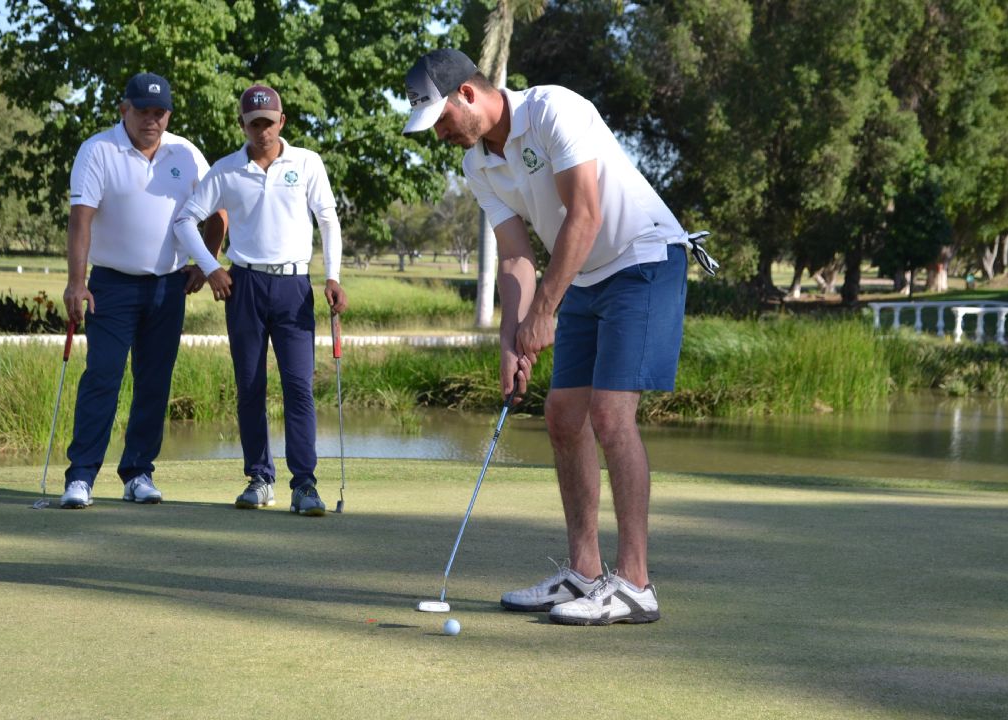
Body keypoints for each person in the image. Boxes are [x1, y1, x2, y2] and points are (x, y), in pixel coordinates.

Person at [402, 49, 717, 625]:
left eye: (442, 119)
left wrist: (545, 309)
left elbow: (586, 214)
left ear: (467, 94)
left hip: (643, 259)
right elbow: (518, 259)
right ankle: (584, 573)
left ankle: (636, 584)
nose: (441, 133)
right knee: (562, 416)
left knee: (610, 415)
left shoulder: (553, 110)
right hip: (586, 274)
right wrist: (510, 342)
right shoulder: (478, 165)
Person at [174, 83, 347, 517]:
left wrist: (333, 276)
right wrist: (210, 266)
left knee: (299, 387)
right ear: (243, 125)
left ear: (282, 121)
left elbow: (328, 219)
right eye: (255, 124)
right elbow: (185, 220)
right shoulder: (226, 170)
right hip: (244, 285)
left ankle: (304, 485)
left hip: (293, 287)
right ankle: (260, 478)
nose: (263, 131)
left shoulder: (307, 162)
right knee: (249, 387)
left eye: (269, 122)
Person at [59, 72, 226, 510]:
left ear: (168, 113)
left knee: (154, 382)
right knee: (103, 378)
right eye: (142, 111)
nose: (151, 120)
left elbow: (218, 212)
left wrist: (205, 266)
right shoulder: (98, 150)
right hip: (111, 285)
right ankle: (81, 477)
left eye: (160, 112)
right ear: (124, 110)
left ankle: (138, 472)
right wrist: (76, 283)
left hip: (168, 287)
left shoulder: (186, 153)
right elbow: (81, 220)